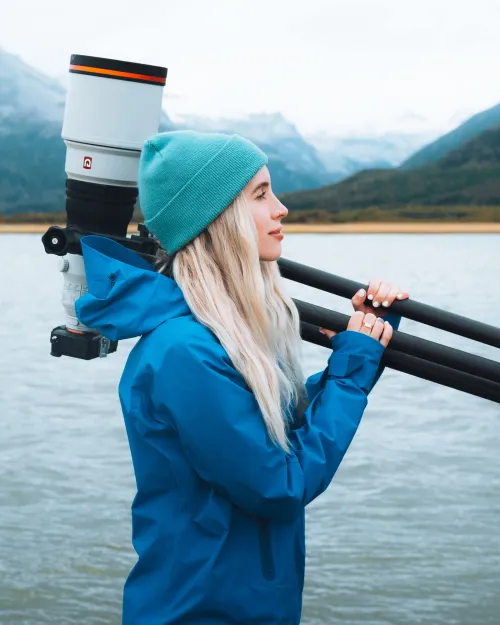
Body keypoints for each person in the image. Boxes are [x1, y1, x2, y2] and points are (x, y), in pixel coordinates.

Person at [74, 130, 409, 625]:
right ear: (218, 219)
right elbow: (279, 484)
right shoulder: (184, 353)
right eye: (261, 195)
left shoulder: (215, 334)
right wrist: (350, 372)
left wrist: (365, 344)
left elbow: (281, 432)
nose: (281, 209)